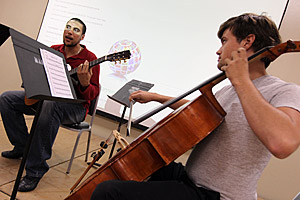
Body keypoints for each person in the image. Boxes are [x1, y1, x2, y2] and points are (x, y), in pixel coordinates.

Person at [90, 13, 300, 200]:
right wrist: (156, 97)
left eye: (224, 41)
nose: (218, 51)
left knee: (109, 192)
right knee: (146, 163)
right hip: (192, 179)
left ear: (247, 42)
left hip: (217, 194)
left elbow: (283, 143)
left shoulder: (284, 91)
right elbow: (198, 114)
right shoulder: (227, 90)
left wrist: (241, 80)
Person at [0, 18, 100, 192]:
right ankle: (22, 145)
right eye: (67, 27)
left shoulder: (90, 59)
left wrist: (84, 84)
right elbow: (38, 75)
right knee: (6, 98)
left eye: (76, 30)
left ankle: (35, 170)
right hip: (47, 99)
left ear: (82, 37)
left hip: (74, 108)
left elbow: (93, 93)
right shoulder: (53, 51)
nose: (70, 31)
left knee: (51, 105)